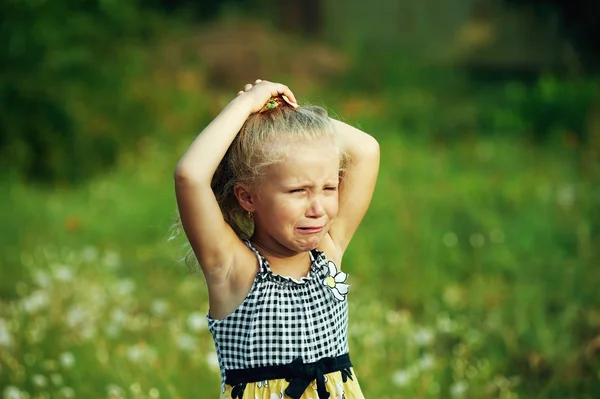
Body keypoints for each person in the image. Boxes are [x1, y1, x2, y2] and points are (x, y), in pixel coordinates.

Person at [174, 79, 379, 399]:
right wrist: (246, 107)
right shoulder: (233, 267)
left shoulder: (328, 249)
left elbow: (366, 150)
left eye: (328, 188)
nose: (317, 208)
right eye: (298, 191)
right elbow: (191, 175)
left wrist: (288, 116)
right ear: (248, 198)